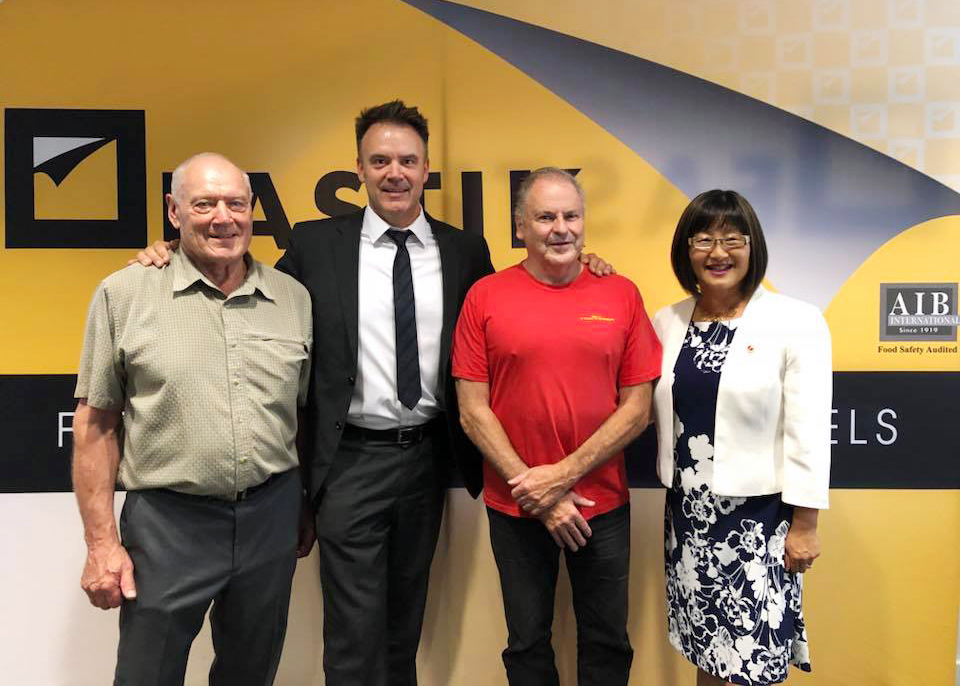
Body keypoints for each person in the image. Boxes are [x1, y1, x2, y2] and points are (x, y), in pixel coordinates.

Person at [132, 102, 613, 686]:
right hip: (350, 460)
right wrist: (168, 249)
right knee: (353, 635)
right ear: (357, 167)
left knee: (404, 626)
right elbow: (237, 271)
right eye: (380, 160)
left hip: (428, 458)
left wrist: (587, 264)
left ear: (427, 169)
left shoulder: (465, 251)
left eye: (407, 160)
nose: (395, 172)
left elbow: (529, 291)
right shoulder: (315, 246)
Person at [73, 153, 314, 685]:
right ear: (174, 211)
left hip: (269, 517)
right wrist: (101, 544)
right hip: (167, 525)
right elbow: (96, 426)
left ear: (254, 210)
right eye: (204, 204)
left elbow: (302, 414)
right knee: (148, 675)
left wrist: (300, 507)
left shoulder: (292, 299)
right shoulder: (125, 294)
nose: (223, 218)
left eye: (236, 203)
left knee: (252, 673)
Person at [452, 167, 662, 685]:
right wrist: (537, 492)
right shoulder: (485, 296)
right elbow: (472, 410)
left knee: (608, 642)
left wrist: (559, 477)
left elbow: (637, 408)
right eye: (545, 217)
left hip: (603, 505)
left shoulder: (621, 294)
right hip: (515, 506)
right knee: (526, 644)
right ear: (520, 226)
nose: (560, 228)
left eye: (571, 215)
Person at [651, 190, 831, 686]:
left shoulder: (796, 321)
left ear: (753, 248)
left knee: (752, 664)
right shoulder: (666, 322)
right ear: (685, 250)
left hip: (759, 525)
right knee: (708, 652)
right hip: (688, 519)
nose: (718, 252)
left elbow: (809, 428)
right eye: (703, 239)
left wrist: (806, 523)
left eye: (733, 239)